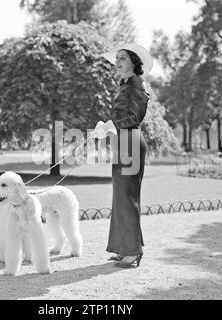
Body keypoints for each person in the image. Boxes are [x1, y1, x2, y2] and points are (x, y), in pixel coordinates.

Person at [92, 44, 153, 268]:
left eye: (123, 58)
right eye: (116, 58)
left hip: (131, 141)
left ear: (134, 62)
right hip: (123, 141)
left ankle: (132, 251)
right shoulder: (124, 84)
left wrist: (110, 125)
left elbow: (134, 116)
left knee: (128, 197)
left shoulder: (136, 82)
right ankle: (124, 247)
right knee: (120, 197)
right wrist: (108, 128)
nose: (117, 62)